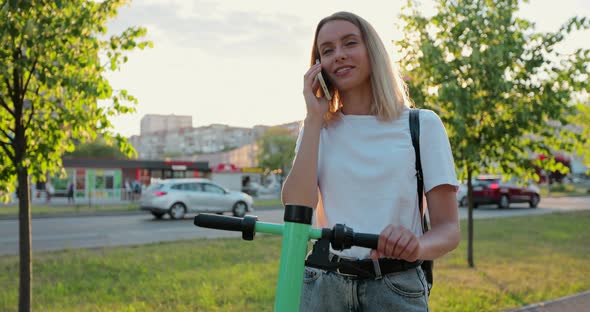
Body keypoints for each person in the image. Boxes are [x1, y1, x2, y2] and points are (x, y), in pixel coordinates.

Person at [281, 12, 460, 311]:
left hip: (395, 287)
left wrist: (417, 246)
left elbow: (448, 230)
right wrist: (313, 118)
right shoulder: (316, 129)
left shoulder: (421, 125)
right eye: (327, 50)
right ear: (318, 65)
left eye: (349, 43)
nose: (338, 55)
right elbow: (296, 207)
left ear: (372, 51)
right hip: (323, 285)